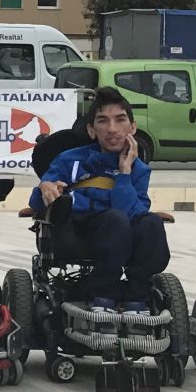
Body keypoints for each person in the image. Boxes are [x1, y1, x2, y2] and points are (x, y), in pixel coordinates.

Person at [30, 86, 170, 309]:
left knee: (150, 223)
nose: (112, 129)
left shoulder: (138, 169)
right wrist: (45, 187)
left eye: (120, 120)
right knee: (115, 220)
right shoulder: (70, 160)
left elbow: (133, 213)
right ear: (92, 130)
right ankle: (103, 293)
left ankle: (137, 297)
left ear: (132, 127)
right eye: (103, 121)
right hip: (80, 229)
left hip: (122, 230)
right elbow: (36, 202)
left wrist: (124, 173)